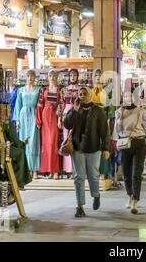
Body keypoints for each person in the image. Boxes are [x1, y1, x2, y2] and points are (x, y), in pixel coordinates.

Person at [63, 86, 110, 218]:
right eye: (80, 94)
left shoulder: (98, 110)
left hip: (94, 148)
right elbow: (67, 125)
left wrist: (106, 148)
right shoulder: (75, 109)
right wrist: (74, 111)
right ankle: (80, 206)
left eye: (85, 93)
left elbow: (104, 131)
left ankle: (96, 195)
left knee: (93, 176)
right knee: (79, 177)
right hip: (77, 148)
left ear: (90, 95)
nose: (83, 96)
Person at [113, 89, 146, 214]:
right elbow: (115, 130)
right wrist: (115, 141)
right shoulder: (119, 111)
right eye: (126, 96)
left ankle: (135, 200)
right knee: (126, 173)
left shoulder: (141, 111)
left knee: (136, 172)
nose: (128, 98)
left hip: (139, 142)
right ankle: (129, 194)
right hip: (124, 144)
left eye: (130, 96)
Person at [14, 69, 41, 179]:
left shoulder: (38, 90)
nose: (30, 78)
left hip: (34, 115)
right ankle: (26, 170)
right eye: (28, 76)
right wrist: (17, 121)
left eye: (32, 76)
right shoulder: (21, 90)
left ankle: (34, 169)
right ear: (26, 77)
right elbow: (17, 105)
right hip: (23, 115)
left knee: (34, 142)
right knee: (24, 141)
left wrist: (39, 119)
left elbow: (40, 106)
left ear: (35, 78)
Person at [36, 69, 61, 179]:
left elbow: (61, 105)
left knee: (53, 144)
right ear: (48, 77)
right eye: (50, 75)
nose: (52, 77)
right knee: (46, 145)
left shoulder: (59, 90)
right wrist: (39, 120)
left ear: (57, 77)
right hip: (45, 116)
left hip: (54, 116)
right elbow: (39, 105)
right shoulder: (43, 90)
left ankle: (55, 171)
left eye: (54, 75)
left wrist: (60, 119)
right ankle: (49, 170)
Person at [59, 69, 81, 177]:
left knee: (76, 139)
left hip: (77, 113)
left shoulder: (81, 89)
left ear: (77, 76)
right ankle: (68, 169)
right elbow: (61, 104)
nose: (73, 77)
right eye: (71, 75)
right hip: (66, 113)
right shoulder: (64, 89)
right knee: (66, 139)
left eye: (75, 75)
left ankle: (75, 168)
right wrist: (59, 119)